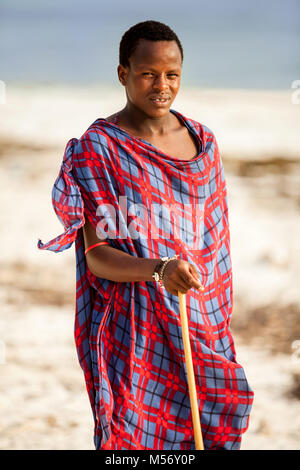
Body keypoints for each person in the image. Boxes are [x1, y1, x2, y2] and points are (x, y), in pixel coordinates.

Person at [38, 20, 254, 450]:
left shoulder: (203, 143)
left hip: (200, 322)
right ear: (123, 73)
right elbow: (98, 255)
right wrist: (160, 269)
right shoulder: (99, 149)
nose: (162, 85)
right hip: (134, 330)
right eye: (148, 74)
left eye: (172, 74)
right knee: (134, 442)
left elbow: (213, 245)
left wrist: (196, 293)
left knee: (211, 427)